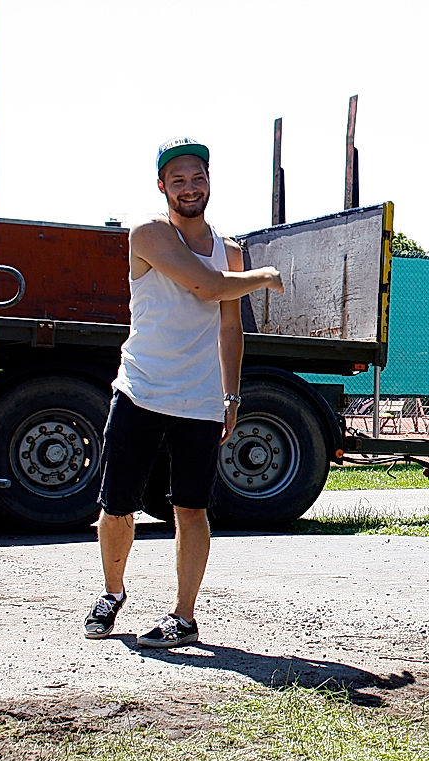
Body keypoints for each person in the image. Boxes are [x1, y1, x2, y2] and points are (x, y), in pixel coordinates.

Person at [83, 137, 284, 648]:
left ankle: (184, 616)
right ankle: (112, 593)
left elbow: (229, 327)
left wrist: (231, 396)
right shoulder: (149, 233)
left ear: (210, 182)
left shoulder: (230, 249)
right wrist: (263, 277)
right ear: (162, 187)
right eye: (178, 180)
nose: (189, 188)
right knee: (116, 507)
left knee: (192, 509)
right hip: (140, 391)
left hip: (199, 400)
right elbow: (208, 286)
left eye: (198, 177)